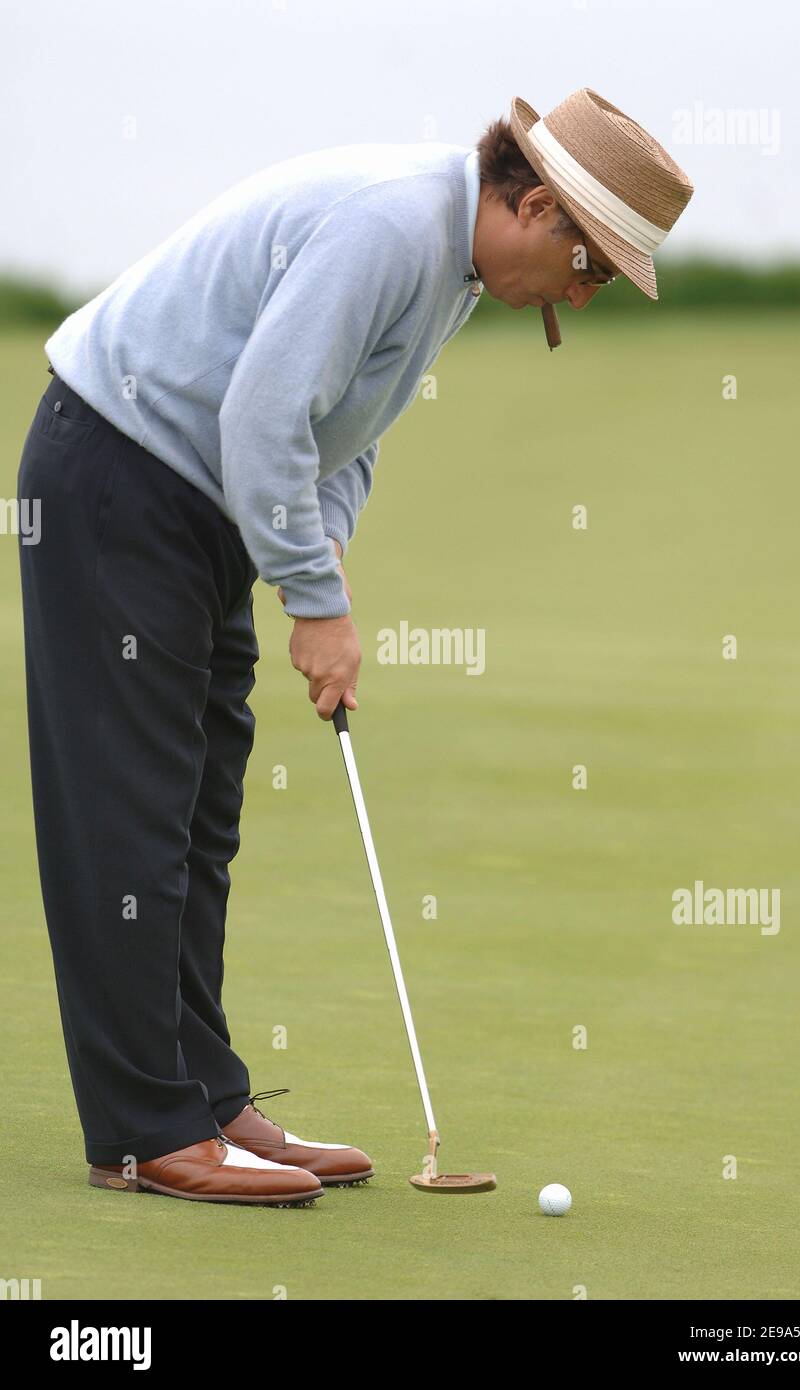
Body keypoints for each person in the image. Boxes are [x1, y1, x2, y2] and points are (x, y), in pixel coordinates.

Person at [17, 88, 694, 1206]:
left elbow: (341, 431)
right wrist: (315, 605)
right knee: (130, 813)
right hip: (119, 477)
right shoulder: (389, 224)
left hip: (191, 503)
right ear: (531, 205)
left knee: (198, 806)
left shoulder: (451, 262)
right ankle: (142, 1131)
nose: (584, 293)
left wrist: (317, 572)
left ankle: (200, 1097)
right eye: (591, 265)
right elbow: (262, 413)